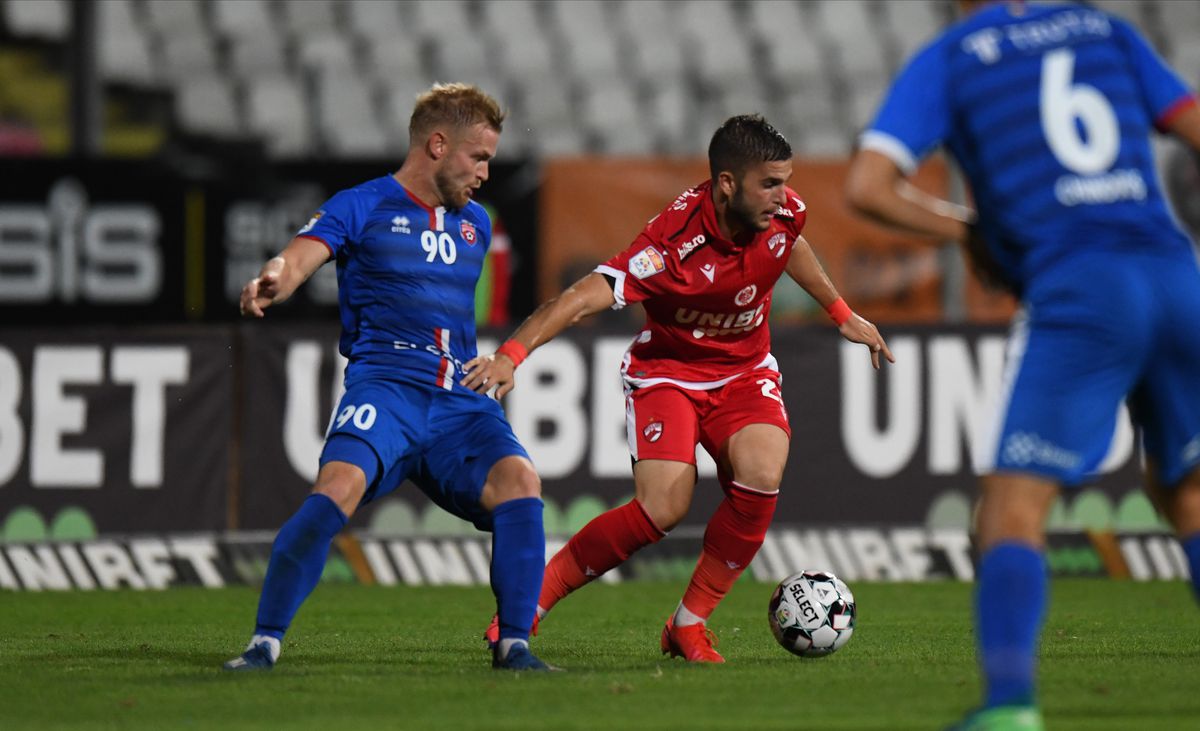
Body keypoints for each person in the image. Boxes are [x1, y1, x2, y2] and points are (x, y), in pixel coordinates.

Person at [845, 2, 1200, 729]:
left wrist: (966, 229)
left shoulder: (952, 57)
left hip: (1082, 286)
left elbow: (867, 185)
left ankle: (1009, 706)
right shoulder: (1107, 31)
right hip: (1175, 274)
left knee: (1011, 504)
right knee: (1189, 492)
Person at [463, 114, 893, 663]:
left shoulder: (782, 212)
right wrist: (512, 354)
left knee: (762, 472)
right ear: (727, 183)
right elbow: (579, 297)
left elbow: (790, 245)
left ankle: (687, 625)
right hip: (668, 373)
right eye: (770, 184)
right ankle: (528, 609)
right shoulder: (669, 247)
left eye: (785, 182)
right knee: (662, 508)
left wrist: (840, 312)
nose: (783, 197)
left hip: (744, 371)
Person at [224, 83, 553, 672]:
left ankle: (515, 646)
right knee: (336, 489)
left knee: (521, 482)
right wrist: (275, 277)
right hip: (387, 388)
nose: (484, 173)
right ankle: (264, 643)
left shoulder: (477, 225)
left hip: (459, 401)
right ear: (436, 144)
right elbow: (301, 255)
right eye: (477, 157)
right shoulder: (364, 203)